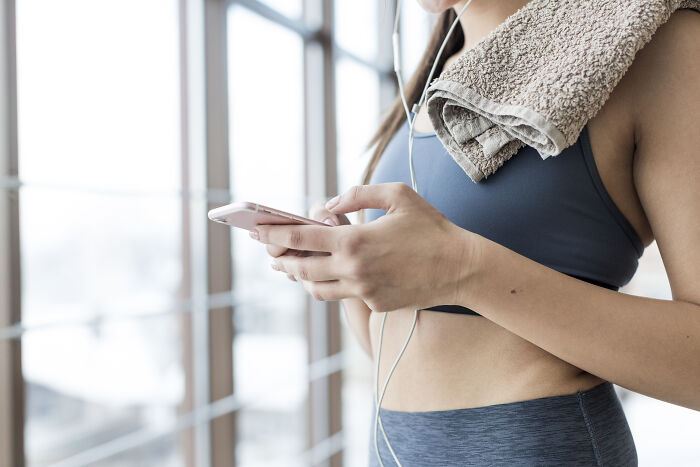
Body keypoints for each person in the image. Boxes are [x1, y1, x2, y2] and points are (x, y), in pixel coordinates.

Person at [252, 0, 700, 464]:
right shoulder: (432, 83)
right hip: (395, 447)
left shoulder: (653, 45)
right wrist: (347, 270)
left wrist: (463, 268)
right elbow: (398, 348)